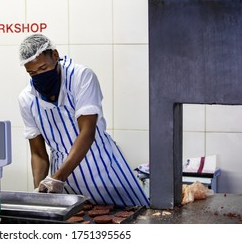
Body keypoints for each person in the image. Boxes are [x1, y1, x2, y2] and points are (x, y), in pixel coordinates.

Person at [18, 34, 149, 206]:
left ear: (55, 56)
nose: (39, 76)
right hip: (67, 185)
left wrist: (58, 178)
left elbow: (87, 132)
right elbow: (38, 153)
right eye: (32, 73)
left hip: (107, 174)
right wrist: (41, 192)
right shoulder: (27, 99)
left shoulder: (81, 77)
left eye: (43, 68)